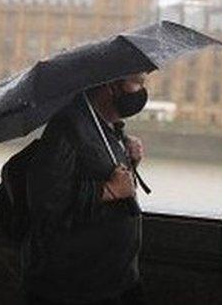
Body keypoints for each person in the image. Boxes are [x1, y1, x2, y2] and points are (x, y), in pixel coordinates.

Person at [21, 72, 149, 305]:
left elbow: (113, 178)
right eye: (137, 82)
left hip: (116, 280)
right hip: (76, 288)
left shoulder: (105, 128)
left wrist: (130, 161)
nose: (142, 90)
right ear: (112, 85)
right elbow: (47, 201)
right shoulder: (67, 127)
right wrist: (107, 190)